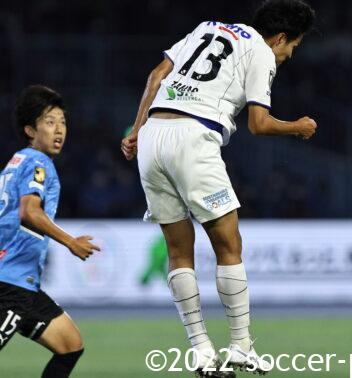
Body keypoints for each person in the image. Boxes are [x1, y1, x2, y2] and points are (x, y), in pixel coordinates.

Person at [121, 0, 316, 375]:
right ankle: (241, 346)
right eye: (292, 47)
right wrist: (298, 127)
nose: (288, 56)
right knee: (229, 246)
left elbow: (156, 75)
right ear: (279, 38)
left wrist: (136, 128)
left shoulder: (206, 27)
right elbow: (259, 123)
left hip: (153, 136)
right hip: (194, 136)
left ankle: (200, 350)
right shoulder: (260, 51)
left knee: (178, 252)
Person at [0, 85, 100, 377]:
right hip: (9, 285)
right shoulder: (37, 162)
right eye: (49, 122)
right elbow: (29, 212)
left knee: (70, 344)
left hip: (23, 284)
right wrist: (70, 242)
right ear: (30, 130)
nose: (59, 130)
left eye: (63, 121)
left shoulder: (16, 161)